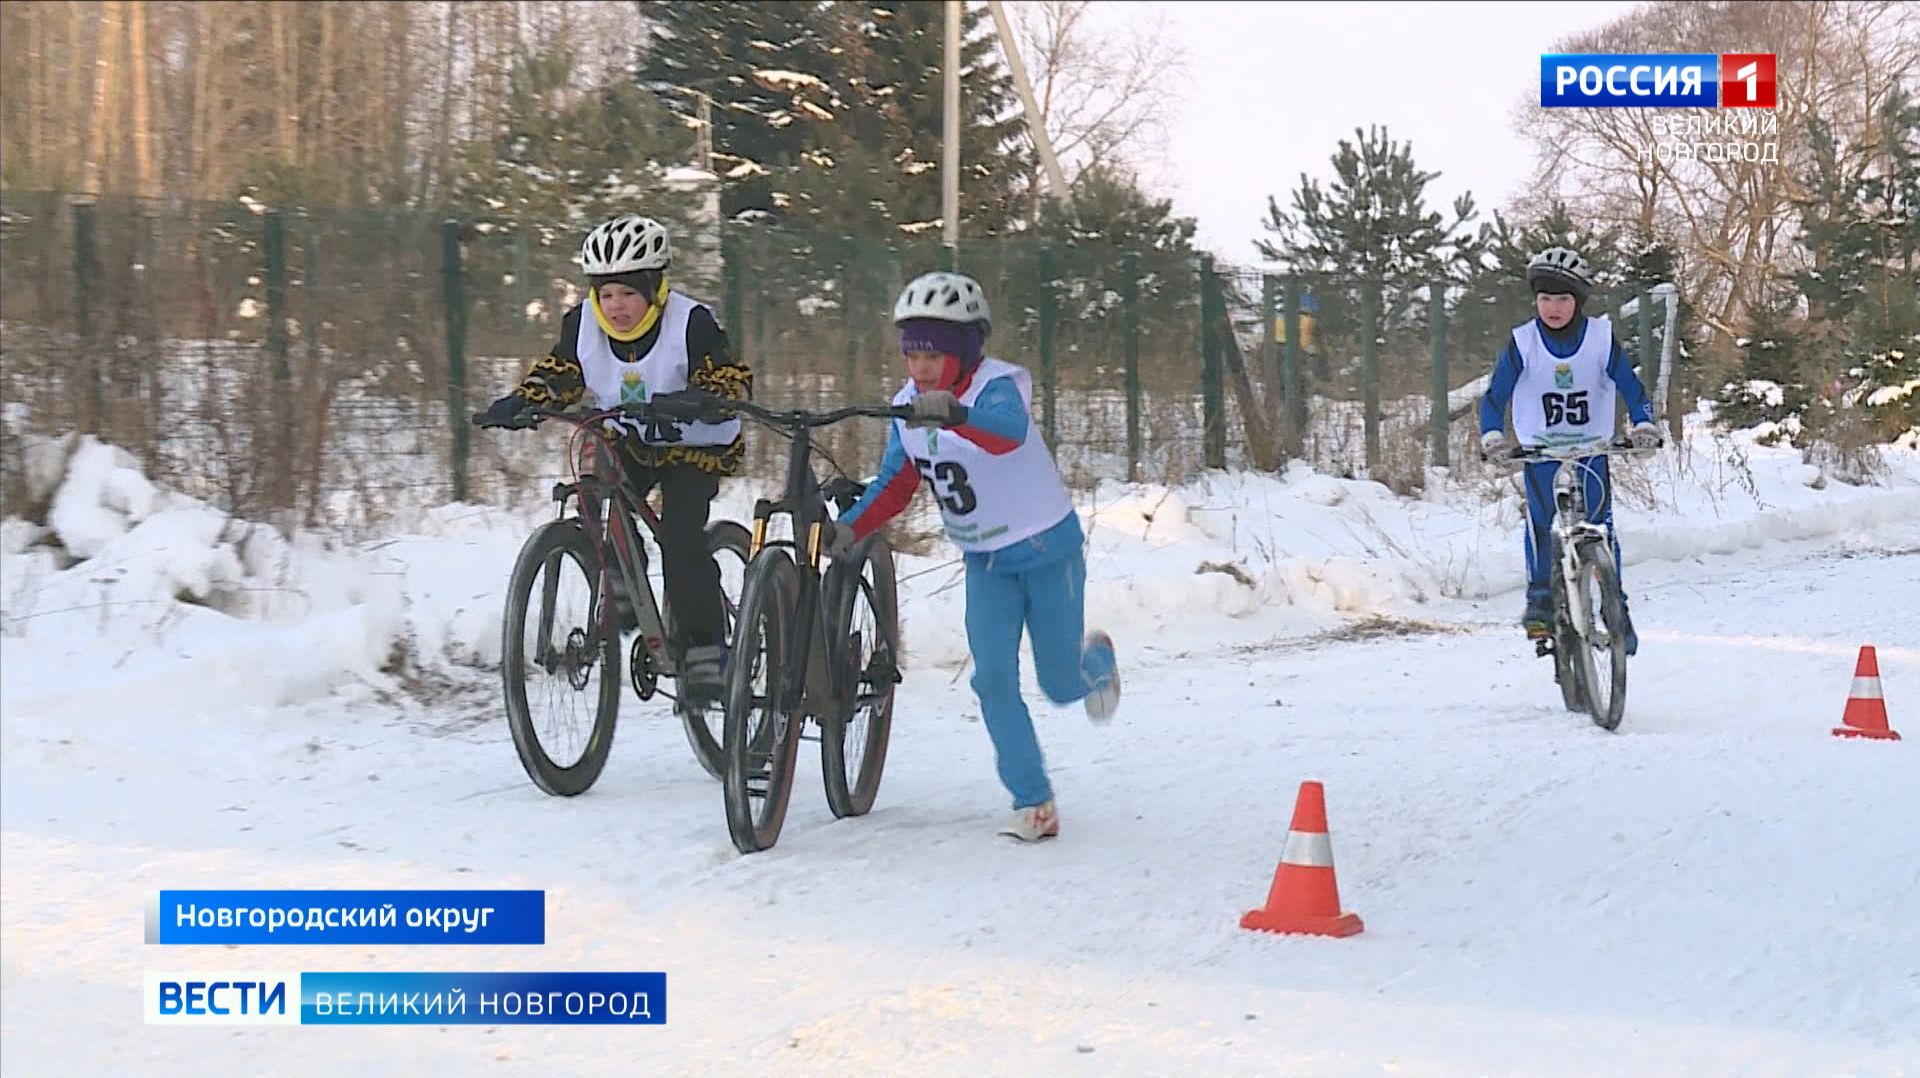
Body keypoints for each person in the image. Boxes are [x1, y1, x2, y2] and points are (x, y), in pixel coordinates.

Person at [828, 270, 1121, 843]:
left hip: (1046, 552)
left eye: (935, 354)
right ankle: (1033, 801)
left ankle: (1098, 665)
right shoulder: (906, 407)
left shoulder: (996, 387)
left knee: (1060, 686)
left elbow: (1007, 434)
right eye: (913, 354)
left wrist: (957, 415)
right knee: (991, 681)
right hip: (986, 565)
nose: (922, 368)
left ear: (965, 349)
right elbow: (896, 483)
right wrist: (850, 527)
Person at [477, 214, 751, 705]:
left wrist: (703, 396)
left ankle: (707, 647)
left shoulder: (692, 322)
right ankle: (619, 571)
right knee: (591, 472)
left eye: (628, 293)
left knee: (680, 537)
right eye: (606, 294)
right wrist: (526, 399)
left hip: (696, 448)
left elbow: (731, 378)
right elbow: (562, 370)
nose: (616, 306)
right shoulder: (581, 324)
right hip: (632, 438)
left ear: (654, 289)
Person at [1477, 246, 1661, 654]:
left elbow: (1631, 387)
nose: (1553, 307)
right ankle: (1540, 600)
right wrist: (1493, 437)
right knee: (1542, 522)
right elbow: (1494, 397)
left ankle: (1616, 607)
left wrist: (1644, 423)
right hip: (1540, 451)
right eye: (1545, 298)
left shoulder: (1600, 338)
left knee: (1601, 525)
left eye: (1563, 298)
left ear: (1578, 301)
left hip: (1591, 448)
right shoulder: (1523, 342)